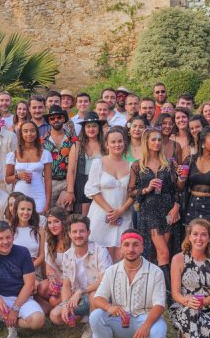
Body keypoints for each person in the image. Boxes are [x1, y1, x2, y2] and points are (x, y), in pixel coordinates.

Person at [88, 232, 168, 338]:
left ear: (142, 248)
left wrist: (146, 326)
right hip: (120, 319)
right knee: (95, 316)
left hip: (144, 317)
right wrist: (109, 307)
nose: (131, 249)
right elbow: (98, 298)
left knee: (158, 337)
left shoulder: (155, 271)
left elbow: (160, 305)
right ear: (121, 248)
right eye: (126, 245)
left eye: (135, 245)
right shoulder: (111, 271)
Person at [51, 215, 112, 338]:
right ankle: (87, 317)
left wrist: (80, 291)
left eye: (82, 231)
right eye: (74, 232)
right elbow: (66, 285)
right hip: (79, 297)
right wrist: (66, 304)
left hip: (101, 295)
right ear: (69, 234)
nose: (78, 235)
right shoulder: (68, 255)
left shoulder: (100, 251)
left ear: (88, 232)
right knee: (55, 316)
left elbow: (104, 281)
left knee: (93, 295)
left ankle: (94, 329)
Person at [130, 129, 180, 288]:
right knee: (163, 252)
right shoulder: (138, 165)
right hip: (150, 212)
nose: (157, 142)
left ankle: (158, 291)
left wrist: (176, 206)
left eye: (159, 139)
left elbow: (176, 190)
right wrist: (147, 188)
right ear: (146, 142)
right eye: (153, 140)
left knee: (162, 254)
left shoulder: (169, 164)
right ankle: (167, 293)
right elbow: (131, 192)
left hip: (168, 210)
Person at [84, 126, 135, 257]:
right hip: (101, 214)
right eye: (113, 142)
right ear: (106, 145)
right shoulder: (98, 163)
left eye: (120, 141)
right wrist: (111, 212)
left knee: (122, 254)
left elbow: (134, 193)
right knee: (100, 254)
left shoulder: (132, 166)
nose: (117, 145)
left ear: (125, 143)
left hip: (123, 214)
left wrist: (120, 211)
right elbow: (92, 189)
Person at [4, 120, 53, 214]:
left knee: (39, 220)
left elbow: (48, 180)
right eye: (25, 131)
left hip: (39, 195)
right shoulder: (14, 154)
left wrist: (48, 203)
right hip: (19, 195)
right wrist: (19, 176)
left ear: (37, 133)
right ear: (21, 134)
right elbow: (7, 179)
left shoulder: (45, 154)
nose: (29, 134)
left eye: (32, 130)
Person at [62, 112, 104, 215]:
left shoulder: (105, 146)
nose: (91, 129)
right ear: (84, 128)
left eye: (94, 126)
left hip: (100, 184)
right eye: (88, 126)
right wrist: (70, 191)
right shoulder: (77, 146)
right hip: (80, 185)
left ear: (99, 128)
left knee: (98, 216)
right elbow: (71, 170)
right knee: (81, 218)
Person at [43, 105, 76, 207]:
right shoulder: (42, 141)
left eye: (59, 117)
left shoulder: (72, 140)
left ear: (64, 119)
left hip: (67, 182)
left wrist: (70, 189)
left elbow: (74, 167)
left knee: (65, 214)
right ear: (49, 121)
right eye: (52, 118)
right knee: (48, 213)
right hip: (48, 182)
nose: (56, 120)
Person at [11, 194, 45, 276]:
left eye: (29, 209)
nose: (25, 212)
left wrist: (28, 269)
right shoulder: (9, 229)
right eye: (22, 209)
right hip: (13, 271)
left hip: (33, 271)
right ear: (16, 210)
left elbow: (42, 255)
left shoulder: (40, 230)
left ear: (32, 212)